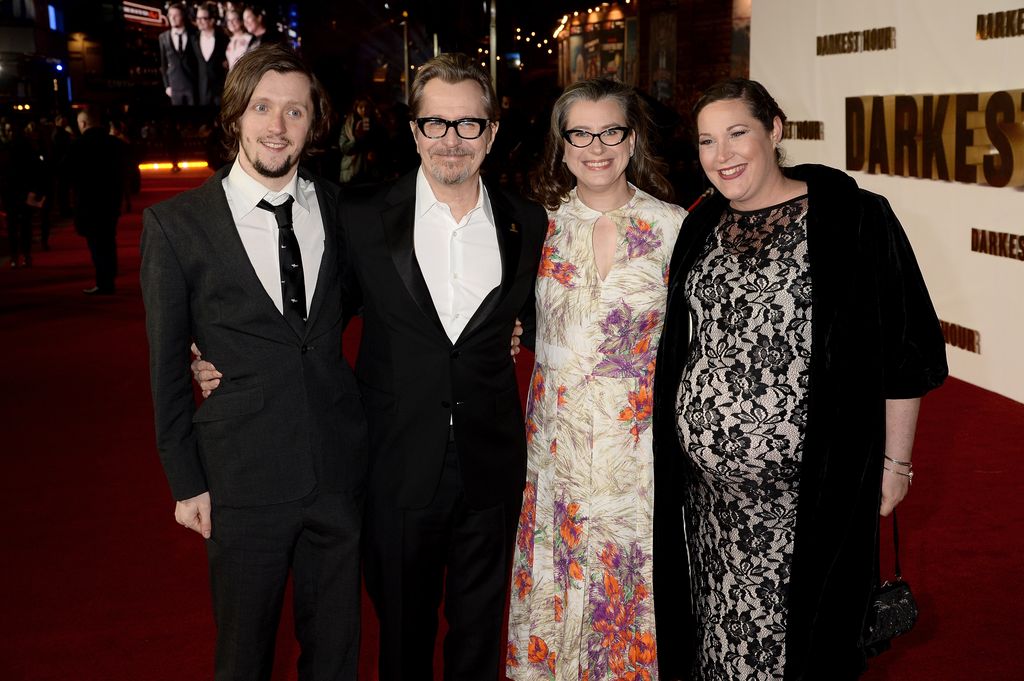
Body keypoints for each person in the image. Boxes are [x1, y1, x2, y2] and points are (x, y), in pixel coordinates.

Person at [194, 52, 547, 680]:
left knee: (479, 636)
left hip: (491, 468)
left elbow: (547, 322)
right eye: (435, 123)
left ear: (492, 131)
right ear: (413, 130)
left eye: (469, 124)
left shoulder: (527, 220)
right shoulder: (359, 216)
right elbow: (309, 319)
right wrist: (218, 359)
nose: (451, 140)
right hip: (394, 464)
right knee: (402, 639)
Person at [650, 78, 948, 681]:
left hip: (808, 500)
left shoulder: (853, 218)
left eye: (738, 133)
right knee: (719, 643)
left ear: (775, 130)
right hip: (710, 504)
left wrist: (895, 465)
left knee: (801, 648)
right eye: (708, 141)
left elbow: (904, 354)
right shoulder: (700, 225)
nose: (723, 155)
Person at [140, 45, 367, 680]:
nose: (277, 125)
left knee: (336, 655)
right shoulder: (176, 226)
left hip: (337, 470)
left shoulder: (344, 210)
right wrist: (184, 480)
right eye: (263, 107)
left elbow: (383, 301)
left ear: (314, 123)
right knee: (243, 658)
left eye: (295, 111)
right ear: (236, 114)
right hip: (240, 476)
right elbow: (164, 366)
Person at [505, 78, 686, 680]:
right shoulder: (537, 229)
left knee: (630, 591)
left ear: (632, 141)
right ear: (561, 146)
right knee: (559, 591)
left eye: (611, 132)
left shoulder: (675, 229)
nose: (596, 147)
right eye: (580, 134)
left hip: (638, 459)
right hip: (556, 451)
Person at [67, 108, 126, 294]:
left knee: (96, 243)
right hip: (111, 201)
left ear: (83, 123)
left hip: (88, 203)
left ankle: (104, 281)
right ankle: (108, 278)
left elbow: (65, 173)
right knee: (108, 239)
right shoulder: (115, 144)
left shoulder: (78, 145)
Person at [158, 3, 199, 106]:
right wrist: (167, 86)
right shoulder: (163, 37)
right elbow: (163, 64)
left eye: (176, 15)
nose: (172, 18)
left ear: (182, 16)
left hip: (192, 85)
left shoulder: (194, 35)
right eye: (170, 15)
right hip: (174, 87)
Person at [193, 2, 229, 107]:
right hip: (202, 91)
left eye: (203, 18)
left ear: (212, 20)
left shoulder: (223, 38)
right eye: (197, 18)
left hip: (221, 90)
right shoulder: (193, 39)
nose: (198, 21)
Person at [338, 96, 380, 184]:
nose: (364, 110)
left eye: (367, 107)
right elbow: (344, 148)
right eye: (361, 107)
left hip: (371, 173)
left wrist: (375, 153)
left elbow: (382, 145)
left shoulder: (377, 124)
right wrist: (356, 138)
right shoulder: (348, 125)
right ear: (356, 108)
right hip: (351, 171)